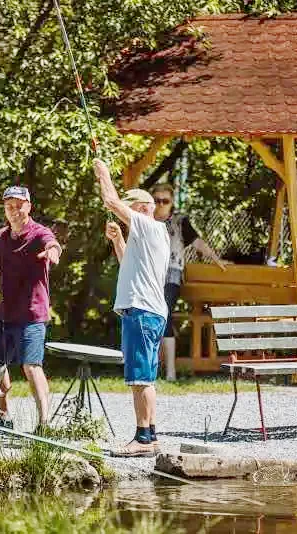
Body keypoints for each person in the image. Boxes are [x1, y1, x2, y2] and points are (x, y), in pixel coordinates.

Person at [95, 159, 169, 457]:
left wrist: (103, 173)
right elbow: (129, 263)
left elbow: (110, 200)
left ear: (139, 209)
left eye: (129, 210)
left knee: (139, 378)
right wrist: (118, 240)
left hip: (140, 312)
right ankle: (149, 435)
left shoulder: (148, 225)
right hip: (149, 312)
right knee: (145, 377)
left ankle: (141, 437)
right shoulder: (152, 234)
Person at [0, 185, 62, 431]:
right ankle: (3, 417)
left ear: (28, 207)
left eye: (19, 205)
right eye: (9, 206)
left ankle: (45, 424)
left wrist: (52, 254)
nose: (14, 211)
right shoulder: (1, 237)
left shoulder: (39, 233)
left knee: (31, 366)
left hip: (32, 314)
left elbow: (53, 245)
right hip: (5, 315)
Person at [150, 183, 229, 380]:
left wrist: (215, 258)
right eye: (157, 200)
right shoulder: (146, 221)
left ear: (172, 203)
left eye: (165, 201)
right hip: (148, 274)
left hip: (171, 274)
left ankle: (170, 371)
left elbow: (197, 242)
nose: (160, 205)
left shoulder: (179, 222)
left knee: (164, 313)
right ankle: (151, 367)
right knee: (149, 316)